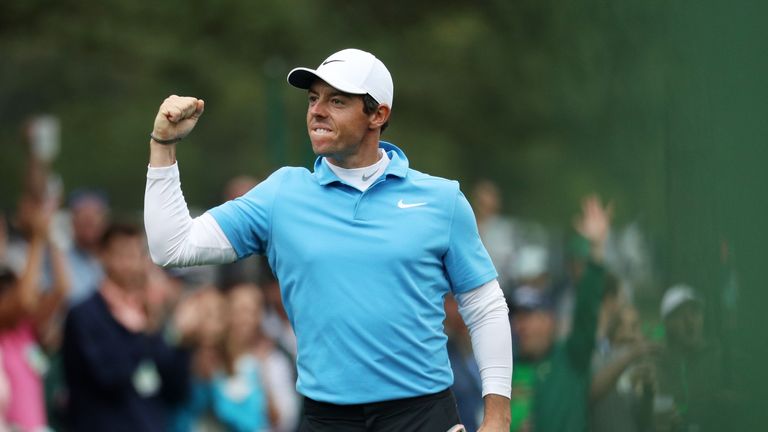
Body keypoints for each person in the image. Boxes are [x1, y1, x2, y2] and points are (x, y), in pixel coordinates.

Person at [143, 48, 512, 431]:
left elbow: (484, 307)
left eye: (337, 101)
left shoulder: (441, 199)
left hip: (421, 416)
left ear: (378, 114)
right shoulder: (282, 194)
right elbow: (171, 246)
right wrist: (163, 145)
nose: (317, 111)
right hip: (326, 418)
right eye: (313, 98)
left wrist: (497, 418)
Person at [62, 223, 201, 432]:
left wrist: (182, 340)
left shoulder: (149, 314)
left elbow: (176, 391)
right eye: (122, 254)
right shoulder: (84, 315)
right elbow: (109, 376)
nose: (130, 263)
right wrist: (143, 331)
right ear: (103, 256)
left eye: (136, 254)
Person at [509, 195, 611, 432]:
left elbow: (586, 311)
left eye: (529, 317)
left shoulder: (571, 359)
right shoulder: (506, 370)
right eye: (517, 318)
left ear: (549, 320)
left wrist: (596, 250)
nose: (519, 326)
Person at [0, 197, 70, 431]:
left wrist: (51, 235)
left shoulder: (24, 328)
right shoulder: (6, 317)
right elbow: (24, 298)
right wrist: (37, 238)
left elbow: (61, 289)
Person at [653, 284, 731, 432]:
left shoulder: (720, 357)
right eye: (681, 315)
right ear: (667, 324)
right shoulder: (659, 364)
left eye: (695, 313)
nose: (690, 322)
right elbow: (658, 410)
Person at [590, 305, 657, 432]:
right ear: (617, 331)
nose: (639, 335)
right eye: (634, 327)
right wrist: (632, 355)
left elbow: (643, 424)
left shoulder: (636, 366)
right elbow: (592, 393)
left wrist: (648, 395)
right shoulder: (597, 360)